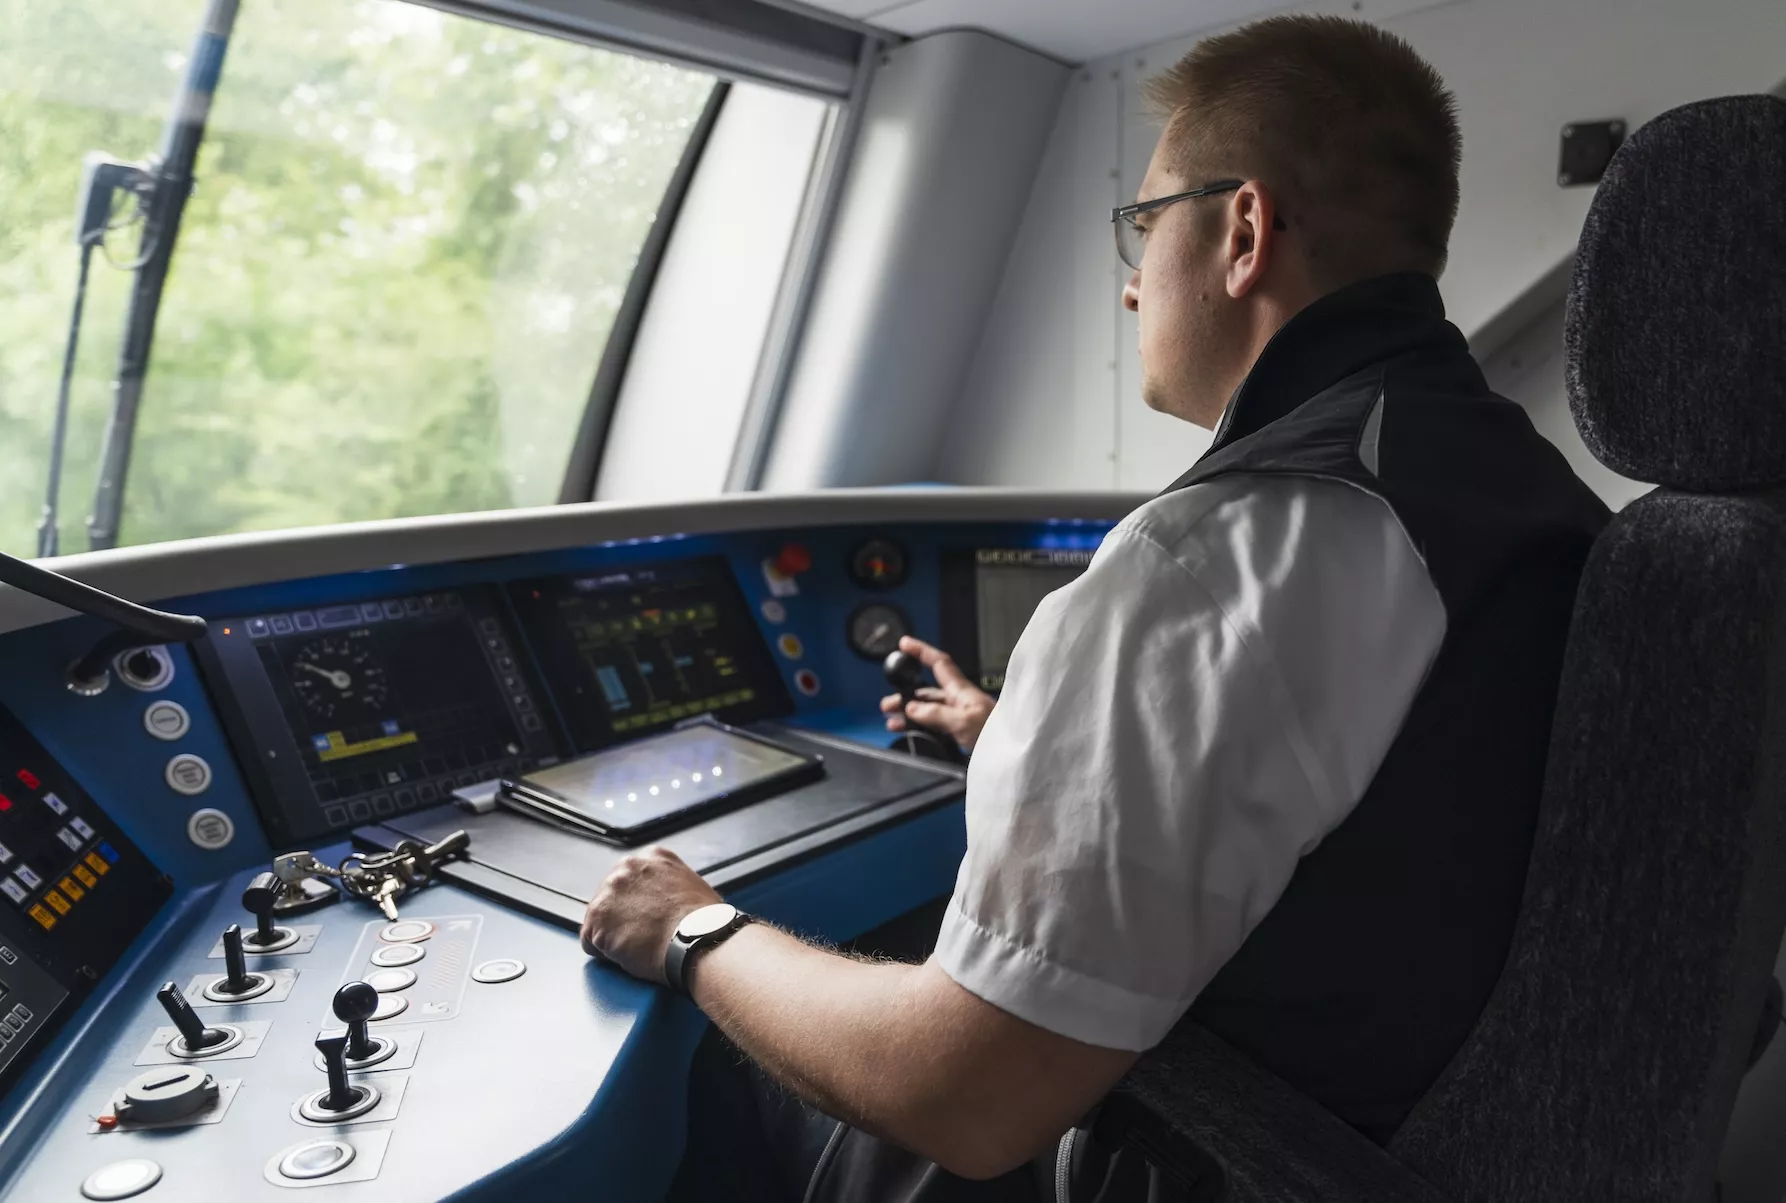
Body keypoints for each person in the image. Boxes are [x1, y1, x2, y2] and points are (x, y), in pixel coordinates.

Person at [579, 13, 1610, 1202]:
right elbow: (1392, 809)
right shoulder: (1520, 488)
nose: (1129, 287)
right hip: (1423, 1119)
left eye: (1144, 223)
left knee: (725, 1052)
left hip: (1248, 1154)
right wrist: (1013, 737)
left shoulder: (1219, 553)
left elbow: (967, 1099)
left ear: (1242, 232)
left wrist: (693, 930)